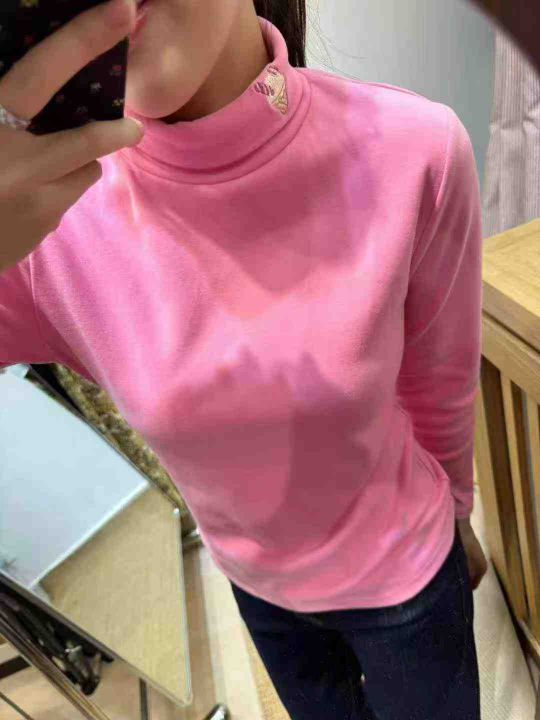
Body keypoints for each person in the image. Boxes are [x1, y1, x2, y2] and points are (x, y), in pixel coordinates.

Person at [0, 0, 488, 717]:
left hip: (406, 578)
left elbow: (440, 378)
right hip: (261, 596)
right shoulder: (43, 226)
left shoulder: (415, 147)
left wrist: (459, 513)